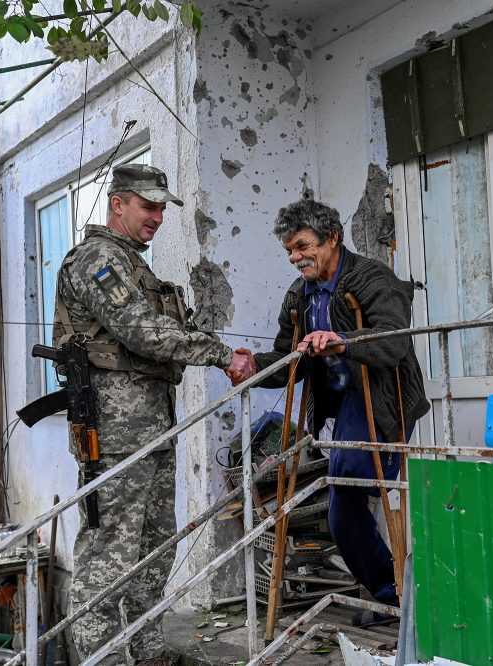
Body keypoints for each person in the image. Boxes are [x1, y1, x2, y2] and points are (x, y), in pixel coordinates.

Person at [53, 164, 249, 666]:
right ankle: (102, 659)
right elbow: (142, 332)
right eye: (149, 206)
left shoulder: (131, 263)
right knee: (107, 552)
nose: (158, 217)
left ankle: (148, 647)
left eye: (162, 208)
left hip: (153, 428)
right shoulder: (98, 260)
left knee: (153, 545)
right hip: (116, 432)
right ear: (118, 204)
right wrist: (221, 354)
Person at [229, 199, 430, 625]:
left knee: (351, 474)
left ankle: (378, 486)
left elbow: (394, 342)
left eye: (302, 246)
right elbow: (290, 360)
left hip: (379, 399)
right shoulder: (298, 296)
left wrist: (342, 341)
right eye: (289, 250)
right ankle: (389, 594)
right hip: (340, 406)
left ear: (332, 238)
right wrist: (254, 368)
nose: (295, 257)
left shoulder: (372, 278)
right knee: (342, 508)